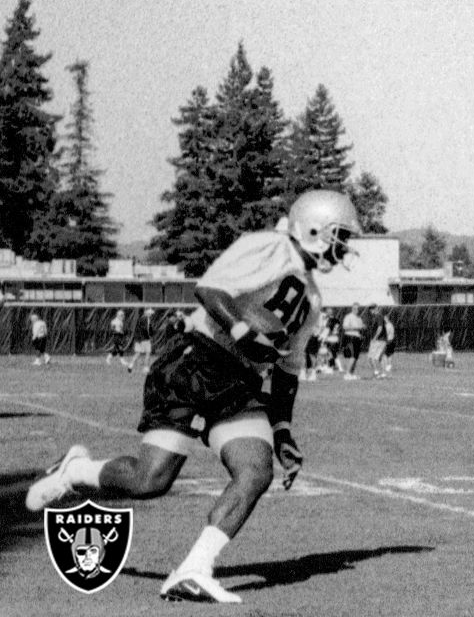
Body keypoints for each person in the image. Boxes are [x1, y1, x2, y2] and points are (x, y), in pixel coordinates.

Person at [26, 189, 362, 603]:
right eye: (341, 235)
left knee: (256, 471)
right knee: (150, 481)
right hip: (194, 358)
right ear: (315, 228)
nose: (344, 247)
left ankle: (195, 568)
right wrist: (243, 331)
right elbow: (210, 291)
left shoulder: (312, 300)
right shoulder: (268, 247)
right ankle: (76, 471)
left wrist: (283, 430)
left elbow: (288, 374)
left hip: (239, 381)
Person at [125, 308, 157, 374]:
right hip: (145, 339)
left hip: (139, 339)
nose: (151, 314)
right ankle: (146, 368)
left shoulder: (141, 318)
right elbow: (146, 330)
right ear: (147, 313)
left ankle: (131, 365)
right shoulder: (146, 319)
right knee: (148, 353)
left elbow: (141, 329)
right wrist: (150, 336)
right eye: (150, 313)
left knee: (138, 353)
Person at [340, 304, 366, 379]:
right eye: (355, 308)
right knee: (353, 356)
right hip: (350, 337)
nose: (357, 310)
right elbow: (345, 327)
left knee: (356, 357)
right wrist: (357, 328)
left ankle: (351, 373)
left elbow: (360, 328)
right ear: (352, 309)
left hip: (357, 338)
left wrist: (362, 329)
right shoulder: (348, 316)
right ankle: (347, 374)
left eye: (358, 309)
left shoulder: (359, 318)